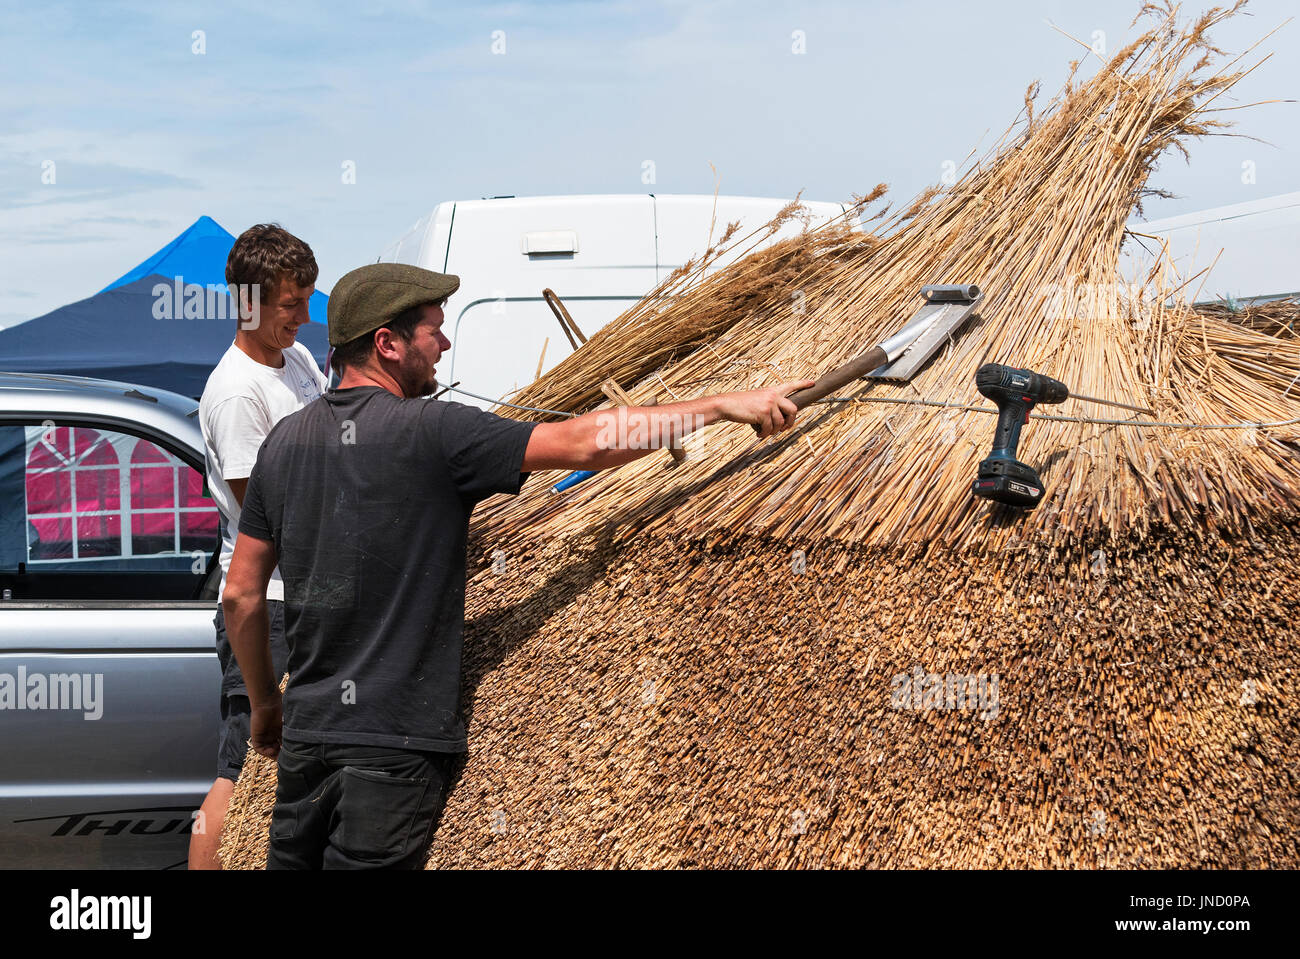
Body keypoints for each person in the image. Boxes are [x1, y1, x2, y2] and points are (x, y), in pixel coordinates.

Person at [223, 262, 814, 869]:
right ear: (388, 343)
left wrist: (268, 707)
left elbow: (241, 596)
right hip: (392, 741)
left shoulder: (284, 444)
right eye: (434, 330)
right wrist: (716, 407)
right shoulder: (434, 431)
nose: (444, 345)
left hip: (308, 736)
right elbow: (586, 442)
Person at [189, 224, 327, 869]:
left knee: (279, 765)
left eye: (307, 300)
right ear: (248, 303)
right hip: (265, 602)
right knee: (242, 765)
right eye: (289, 305)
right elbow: (265, 516)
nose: (303, 318)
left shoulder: (293, 359)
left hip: (299, 590)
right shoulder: (237, 393)